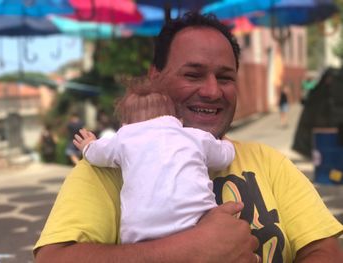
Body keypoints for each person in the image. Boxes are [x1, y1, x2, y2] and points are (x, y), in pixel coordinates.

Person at [34, 12, 343, 263]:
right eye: (192, 75)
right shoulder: (105, 170)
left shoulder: (268, 161)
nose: (211, 91)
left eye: (225, 77)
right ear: (155, 77)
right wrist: (189, 252)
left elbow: (324, 249)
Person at [73, 82, 235, 244]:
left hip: (142, 235)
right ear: (178, 119)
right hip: (199, 222)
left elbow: (97, 154)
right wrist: (226, 142)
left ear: (124, 124)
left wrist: (87, 145)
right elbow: (224, 157)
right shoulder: (194, 136)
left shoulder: (124, 138)